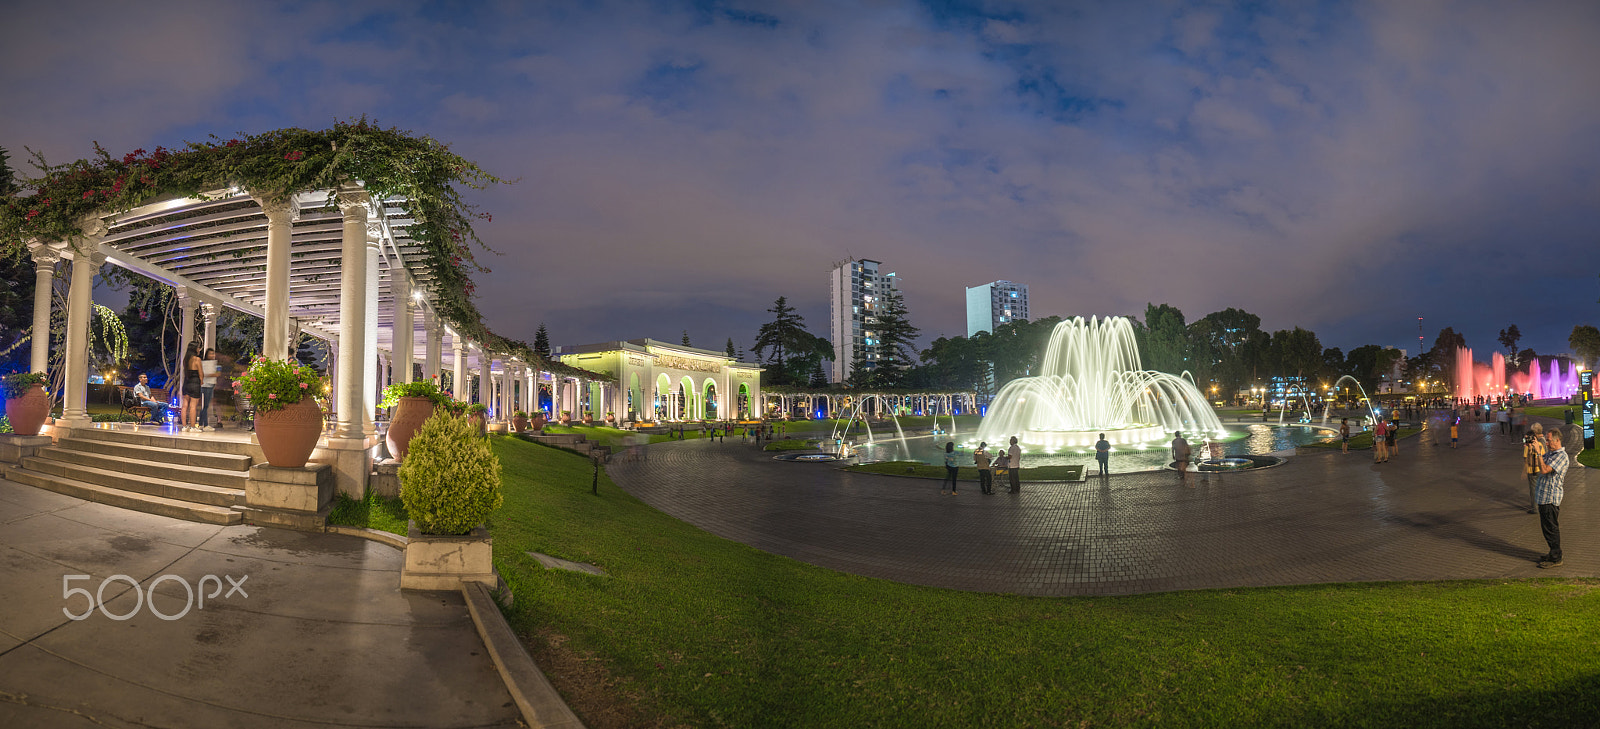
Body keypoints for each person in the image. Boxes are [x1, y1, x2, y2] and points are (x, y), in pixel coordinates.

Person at [1534, 428, 1570, 568]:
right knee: (1547, 528)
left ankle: (1556, 557)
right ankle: (1552, 552)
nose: (1547, 443)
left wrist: (1538, 451)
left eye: (1548, 440)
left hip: (1551, 498)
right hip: (1543, 498)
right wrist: (1535, 449)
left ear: (1557, 440)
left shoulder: (1561, 456)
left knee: (1551, 528)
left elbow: (1544, 470)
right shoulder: (1550, 453)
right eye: (1546, 440)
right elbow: (1539, 464)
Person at [1522, 422, 1546, 515]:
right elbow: (1543, 455)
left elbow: (1525, 459)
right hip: (1540, 469)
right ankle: (1542, 505)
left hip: (1532, 471)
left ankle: (1535, 508)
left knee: (1533, 490)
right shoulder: (1540, 444)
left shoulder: (1528, 447)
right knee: (1541, 488)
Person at [181, 343, 203, 432]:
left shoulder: (185, 360)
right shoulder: (197, 359)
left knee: (184, 406)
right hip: (195, 383)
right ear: (195, 349)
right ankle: (193, 427)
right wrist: (201, 381)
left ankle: (184, 426)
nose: (199, 350)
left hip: (186, 383)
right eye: (198, 348)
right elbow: (201, 374)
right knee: (193, 406)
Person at [199, 348, 219, 432]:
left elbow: (218, 374)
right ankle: (204, 424)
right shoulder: (203, 363)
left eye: (213, 353)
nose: (212, 355)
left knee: (205, 406)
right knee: (205, 406)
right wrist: (211, 374)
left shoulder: (216, 364)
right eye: (210, 353)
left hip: (211, 385)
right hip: (205, 385)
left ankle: (201, 424)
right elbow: (203, 373)